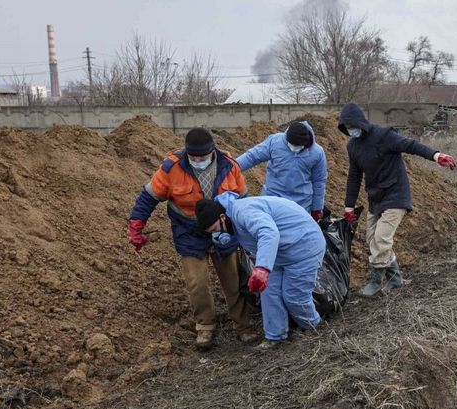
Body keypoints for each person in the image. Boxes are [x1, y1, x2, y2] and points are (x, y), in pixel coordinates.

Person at [127, 127, 258, 350]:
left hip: (223, 228)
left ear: (212, 151)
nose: (198, 160)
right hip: (189, 230)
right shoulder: (171, 168)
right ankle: (205, 326)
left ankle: (243, 326)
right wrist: (136, 224)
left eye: (203, 157)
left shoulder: (229, 165)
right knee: (197, 282)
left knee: (233, 279)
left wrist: (244, 232)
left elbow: (244, 201)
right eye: (193, 157)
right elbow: (148, 197)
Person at [337, 102, 457, 296]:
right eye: (347, 128)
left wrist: (436, 155)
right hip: (375, 197)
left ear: (360, 122)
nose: (350, 131)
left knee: (382, 238)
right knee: (372, 241)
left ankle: (375, 281)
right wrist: (349, 207)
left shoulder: (384, 136)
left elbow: (411, 145)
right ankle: (395, 279)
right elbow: (354, 177)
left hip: (396, 193)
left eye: (352, 127)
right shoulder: (353, 147)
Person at [194, 192, 326, 348]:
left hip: (303, 245)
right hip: (281, 251)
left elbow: (268, 233)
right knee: (269, 292)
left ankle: (314, 329)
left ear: (222, 217)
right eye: (211, 233)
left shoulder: (244, 212)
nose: (216, 234)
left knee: (294, 296)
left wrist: (262, 268)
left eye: (215, 229)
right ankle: (275, 337)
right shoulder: (232, 220)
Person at [235, 120, 329, 219]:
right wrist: (231, 167)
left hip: (300, 204)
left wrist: (317, 208)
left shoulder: (317, 153)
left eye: (298, 146)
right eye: (292, 144)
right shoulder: (275, 142)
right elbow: (252, 157)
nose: (294, 148)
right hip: (272, 198)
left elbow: (319, 181)